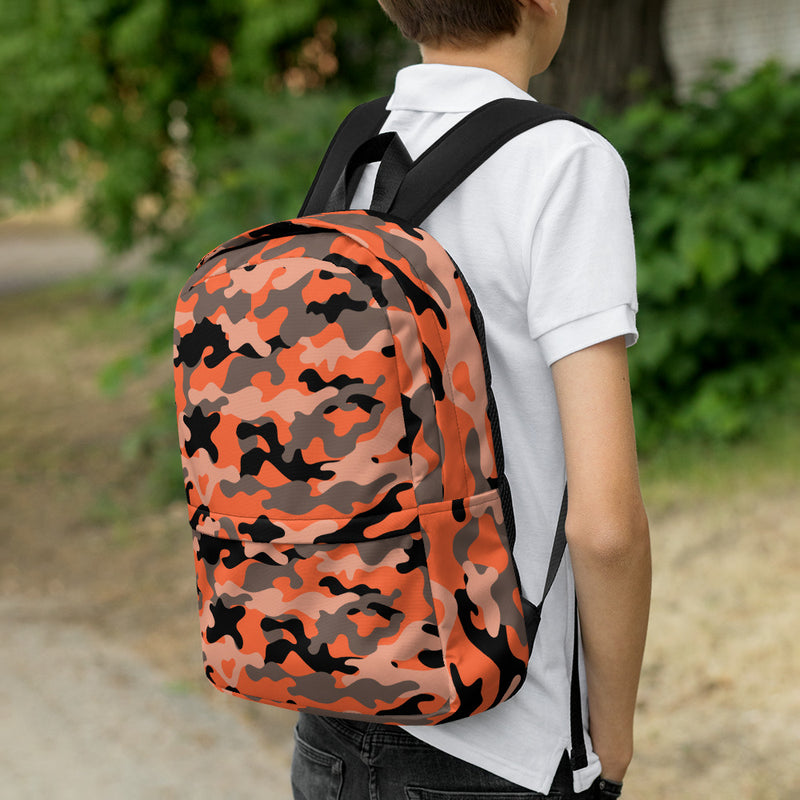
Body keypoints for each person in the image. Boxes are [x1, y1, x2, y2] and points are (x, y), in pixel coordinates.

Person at [290, 1, 652, 797]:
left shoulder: (357, 151)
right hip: (498, 738)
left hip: (331, 711)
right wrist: (612, 742)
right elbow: (606, 527)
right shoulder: (565, 163)